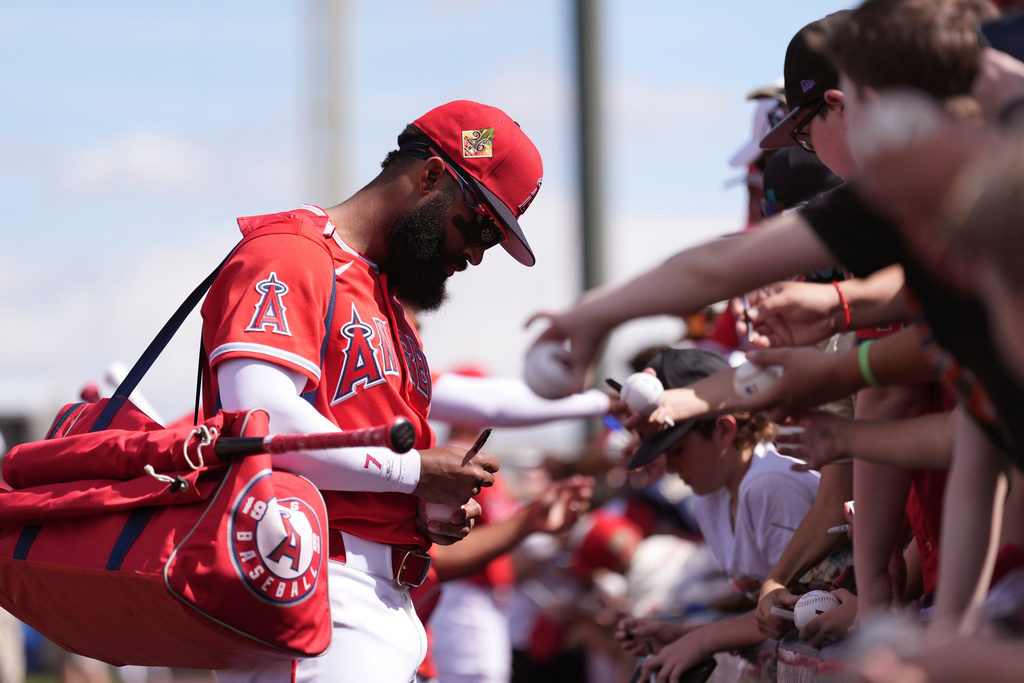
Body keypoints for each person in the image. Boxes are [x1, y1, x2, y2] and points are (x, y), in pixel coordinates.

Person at [201, 100, 544, 683]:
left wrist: (422, 506)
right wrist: (414, 472)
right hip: (310, 584)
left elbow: (357, 459)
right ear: (432, 175)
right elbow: (258, 424)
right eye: (479, 223)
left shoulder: (383, 298)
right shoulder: (291, 253)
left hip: (376, 603)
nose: (478, 254)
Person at [613, 348, 829, 681]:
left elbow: (801, 610)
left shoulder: (768, 484)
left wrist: (704, 638)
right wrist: (683, 632)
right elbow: (764, 615)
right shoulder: (710, 497)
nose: (668, 466)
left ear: (724, 430)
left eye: (676, 450)